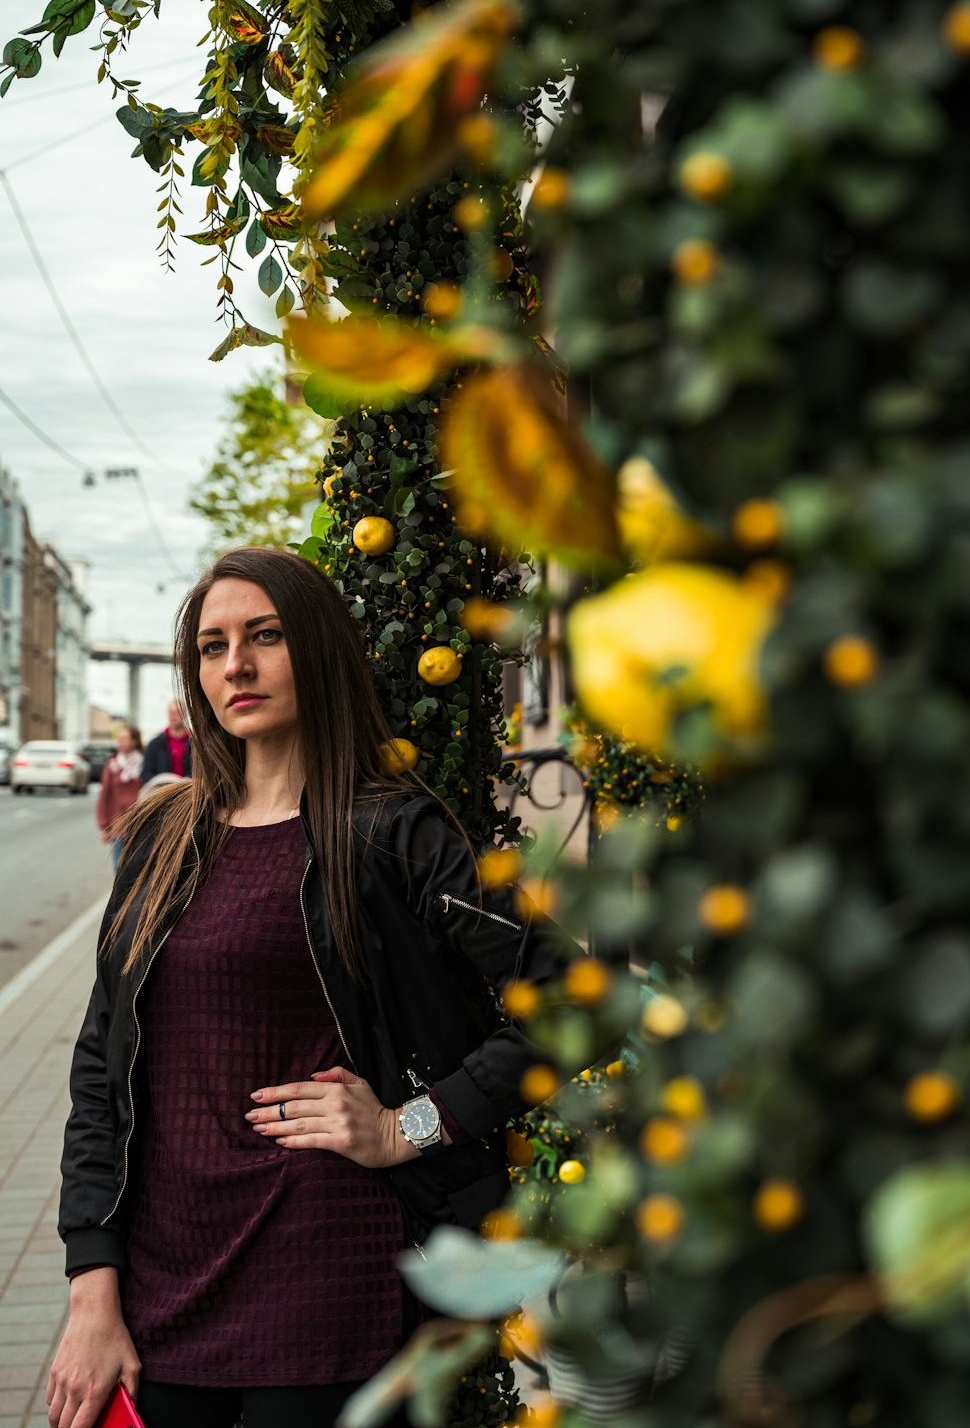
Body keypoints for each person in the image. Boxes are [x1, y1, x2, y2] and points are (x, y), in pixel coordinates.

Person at [48, 546, 582, 1428]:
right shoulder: (161, 839)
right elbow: (102, 1067)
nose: (237, 666)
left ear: (320, 650)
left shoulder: (392, 832)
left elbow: (572, 996)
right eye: (213, 647)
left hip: (332, 1292)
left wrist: (409, 1126)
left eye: (265, 636)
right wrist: (91, 1290)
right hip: (164, 1290)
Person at [96, 727, 145, 872]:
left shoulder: (144, 764)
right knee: (119, 870)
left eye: (124, 739)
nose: (121, 742)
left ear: (134, 741)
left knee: (138, 871)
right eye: (119, 739)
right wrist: (104, 826)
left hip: (140, 825)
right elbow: (105, 794)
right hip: (118, 827)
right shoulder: (112, 765)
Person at [139, 701, 191, 785]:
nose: (172, 716)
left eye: (177, 712)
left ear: (185, 715)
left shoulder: (195, 745)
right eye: (170, 712)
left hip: (188, 792)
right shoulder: (155, 743)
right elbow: (146, 772)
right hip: (162, 792)